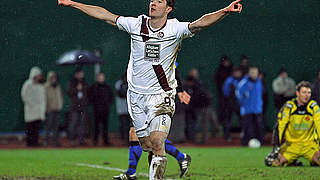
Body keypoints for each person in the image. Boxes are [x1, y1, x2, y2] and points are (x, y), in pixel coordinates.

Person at [58, 0, 242, 178]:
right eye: (152, 0)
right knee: (146, 145)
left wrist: (226, 10)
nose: (153, 3)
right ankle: (175, 158)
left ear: (168, 8)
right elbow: (105, 16)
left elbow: (200, 23)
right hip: (136, 97)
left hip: (162, 95)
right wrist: (74, 3)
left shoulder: (175, 29)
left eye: (159, 1)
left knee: (156, 141)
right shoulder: (136, 24)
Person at [114, 68, 192, 180]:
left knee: (153, 137)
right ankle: (181, 157)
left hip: (157, 98)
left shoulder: (162, 54)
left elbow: (173, 69)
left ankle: (131, 172)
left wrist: (179, 90)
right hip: (141, 98)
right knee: (137, 134)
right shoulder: (139, 55)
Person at [264, 81, 320, 167]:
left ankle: (313, 161)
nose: (307, 95)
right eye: (304, 92)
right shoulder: (289, 107)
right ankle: (292, 161)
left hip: (309, 145)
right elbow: (280, 127)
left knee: (318, 160)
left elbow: (319, 125)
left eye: (309, 93)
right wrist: (276, 147)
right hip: (291, 146)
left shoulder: (313, 107)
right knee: (271, 162)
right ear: (297, 93)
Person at [236, 66, 264, 146]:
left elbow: (260, 94)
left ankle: (259, 143)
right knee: (247, 128)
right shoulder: (244, 83)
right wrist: (244, 102)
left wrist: (260, 104)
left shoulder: (259, 82)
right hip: (247, 110)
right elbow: (238, 94)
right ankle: (245, 143)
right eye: (252, 72)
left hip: (257, 110)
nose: (254, 74)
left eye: (255, 72)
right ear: (249, 73)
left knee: (259, 127)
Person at [21, 66, 46, 147]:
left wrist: (41, 109)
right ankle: (29, 143)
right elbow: (24, 96)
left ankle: (35, 143)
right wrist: (32, 105)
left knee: (36, 129)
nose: (40, 77)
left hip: (38, 112)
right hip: (30, 111)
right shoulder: (27, 84)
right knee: (30, 128)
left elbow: (42, 99)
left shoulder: (40, 86)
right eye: (39, 75)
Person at [88, 72, 114, 146]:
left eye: (102, 77)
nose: (100, 78)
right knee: (96, 126)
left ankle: (105, 141)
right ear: (97, 78)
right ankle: (95, 141)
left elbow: (111, 97)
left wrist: (107, 104)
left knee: (105, 126)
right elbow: (90, 97)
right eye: (99, 77)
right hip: (96, 110)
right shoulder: (94, 87)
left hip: (105, 110)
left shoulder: (107, 87)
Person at [67, 68, 89, 146]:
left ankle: (81, 140)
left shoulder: (84, 82)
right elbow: (69, 92)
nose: (81, 75)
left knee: (82, 124)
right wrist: (76, 89)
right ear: (76, 74)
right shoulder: (72, 82)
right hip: (74, 107)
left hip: (82, 107)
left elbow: (87, 93)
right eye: (79, 73)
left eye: (81, 73)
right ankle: (71, 140)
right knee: (73, 124)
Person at [222, 67, 242, 142]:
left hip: (239, 103)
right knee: (228, 120)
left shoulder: (242, 80)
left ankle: (244, 135)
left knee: (243, 120)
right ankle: (227, 136)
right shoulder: (229, 80)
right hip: (229, 103)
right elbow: (225, 93)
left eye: (239, 72)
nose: (238, 74)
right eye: (236, 72)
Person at [44, 71, 64, 147]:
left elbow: (60, 97)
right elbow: (44, 99)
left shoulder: (58, 86)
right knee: (48, 127)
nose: (54, 79)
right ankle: (46, 141)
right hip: (49, 110)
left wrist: (60, 105)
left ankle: (55, 141)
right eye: (52, 77)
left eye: (55, 77)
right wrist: (46, 108)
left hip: (57, 109)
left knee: (56, 127)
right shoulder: (45, 87)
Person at [214, 56, 233, 126]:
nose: (226, 63)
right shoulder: (219, 71)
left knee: (230, 112)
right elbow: (217, 79)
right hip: (222, 95)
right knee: (223, 112)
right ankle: (223, 127)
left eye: (227, 61)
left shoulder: (232, 70)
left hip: (232, 96)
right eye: (224, 61)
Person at [115, 72, 130, 145]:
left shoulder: (131, 82)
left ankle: (129, 140)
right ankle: (122, 140)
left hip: (130, 109)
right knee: (122, 125)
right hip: (121, 109)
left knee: (129, 126)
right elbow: (121, 94)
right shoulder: (119, 84)